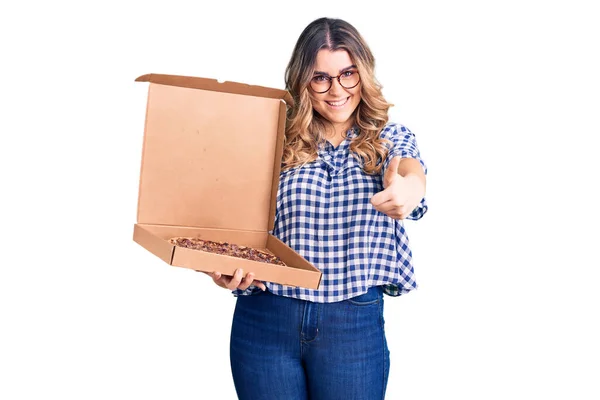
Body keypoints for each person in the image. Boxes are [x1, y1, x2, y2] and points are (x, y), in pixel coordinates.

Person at [206, 17, 428, 400]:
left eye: (348, 74)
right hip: (266, 320)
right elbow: (237, 226)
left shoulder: (388, 138)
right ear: (303, 81)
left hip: (352, 325)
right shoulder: (271, 139)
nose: (336, 89)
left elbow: (410, 171)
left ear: (363, 75)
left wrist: (410, 187)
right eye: (320, 77)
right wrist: (227, 270)